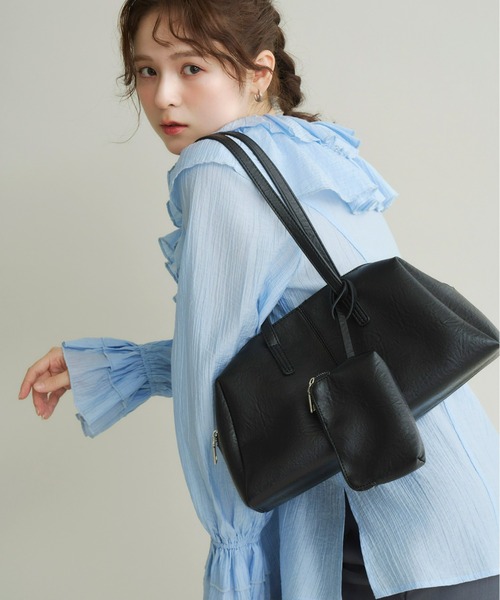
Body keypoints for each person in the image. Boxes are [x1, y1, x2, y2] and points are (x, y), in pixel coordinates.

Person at [19, 1, 499, 598]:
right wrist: (130, 367)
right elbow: (298, 346)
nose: (163, 96)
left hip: (381, 529)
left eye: (191, 67)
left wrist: (234, 548)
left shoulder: (217, 168)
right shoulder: (307, 149)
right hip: (457, 505)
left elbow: (210, 379)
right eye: (146, 71)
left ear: (258, 72)